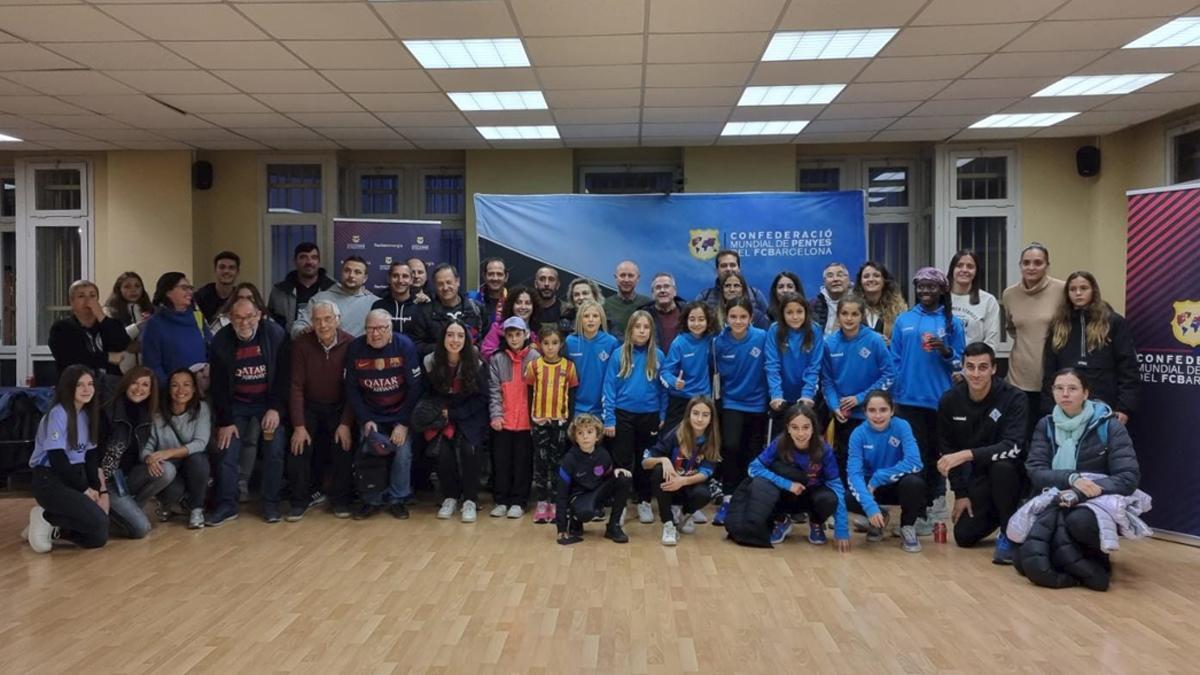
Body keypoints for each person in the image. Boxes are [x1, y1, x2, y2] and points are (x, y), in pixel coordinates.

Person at [1026, 368, 1140, 574]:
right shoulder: (1046, 424)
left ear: (1086, 393)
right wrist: (1071, 479)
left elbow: (1128, 477)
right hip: (1054, 495)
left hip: (1097, 500)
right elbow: (1035, 471)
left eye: (1072, 388)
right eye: (1059, 388)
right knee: (1028, 560)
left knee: (1077, 522)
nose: (1065, 394)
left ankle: (1094, 557)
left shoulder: (1110, 425)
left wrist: (1081, 491)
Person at [935, 342, 1027, 564]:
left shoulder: (1014, 398)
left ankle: (1009, 533)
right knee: (964, 537)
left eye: (983, 367)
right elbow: (948, 451)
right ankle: (1016, 515)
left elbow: (1012, 446)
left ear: (994, 369)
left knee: (1001, 467)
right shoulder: (950, 400)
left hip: (1014, 475)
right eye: (971, 367)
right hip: (979, 479)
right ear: (963, 368)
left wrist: (967, 454)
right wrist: (960, 493)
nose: (976, 374)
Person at [890, 267, 965, 533]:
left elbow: (961, 362)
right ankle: (917, 511)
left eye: (931, 287)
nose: (925, 291)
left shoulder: (952, 323)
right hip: (908, 400)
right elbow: (894, 359)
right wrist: (896, 388)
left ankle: (937, 504)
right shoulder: (904, 320)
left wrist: (946, 351)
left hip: (940, 400)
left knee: (937, 454)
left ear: (942, 290)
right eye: (921, 286)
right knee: (915, 456)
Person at [207, 297, 290, 526]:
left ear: (259, 316)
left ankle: (270, 503)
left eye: (249, 317)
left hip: (268, 402)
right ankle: (227, 505)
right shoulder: (221, 341)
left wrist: (275, 408)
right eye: (238, 317)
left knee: (274, 450)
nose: (244, 322)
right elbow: (218, 386)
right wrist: (225, 421)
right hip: (236, 405)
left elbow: (285, 377)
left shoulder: (276, 335)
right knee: (227, 451)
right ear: (230, 319)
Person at [344, 309, 422, 520]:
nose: (375, 334)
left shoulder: (404, 346)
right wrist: (365, 419)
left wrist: (404, 423)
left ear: (390, 329)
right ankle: (371, 499)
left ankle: (398, 499)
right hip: (372, 414)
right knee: (368, 449)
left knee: (402, 452)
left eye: (380, 328)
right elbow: (351, 389)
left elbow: (415, 388)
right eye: (370, 328)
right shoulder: (355, 349)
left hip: (400, 414)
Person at [23, 365, 108, 553]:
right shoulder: (58, 414)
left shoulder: (87, 415)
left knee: (98, 537)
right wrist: (84, 489)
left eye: (90, 384)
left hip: (74, 476)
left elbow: (91, 457)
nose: (87, 389)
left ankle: (55, 527)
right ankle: (46, 517)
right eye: (80, 385)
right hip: (49, 479)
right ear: (68, 388)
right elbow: (57, 459)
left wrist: (96, 488)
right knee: (98, 520)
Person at [746, 403, 849, 549]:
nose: (800, 433)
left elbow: (837, 486)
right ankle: (781, 520)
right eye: (795, 427)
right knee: (762, 486)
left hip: (812, 494)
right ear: (788, 428)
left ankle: (816, 522)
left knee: (829, 499)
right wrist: (786, 484)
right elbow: (754, 468)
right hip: (788, 492)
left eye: (806, 427)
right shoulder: (780, 443)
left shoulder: (823, 449)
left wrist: (842, 529)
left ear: (813, 428)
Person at [1041, 271, 1138, 424]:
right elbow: (1049, 369)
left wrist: (1124, 407)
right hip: (1066, 405)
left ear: (1093, 290)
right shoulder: (1059, 325)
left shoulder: (1113, 322)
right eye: (1073, 289)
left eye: (1084, 288)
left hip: (1106, 403)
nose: (1078, 293)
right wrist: (1049, 406)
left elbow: (1128, 367)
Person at [288, 299, 355, 520]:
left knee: (343, 444)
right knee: (299, 445)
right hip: (310, 406)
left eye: (328, 319)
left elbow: (353, 390)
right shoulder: (301, 345)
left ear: (337, 320)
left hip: (340, 407)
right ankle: (299, 501)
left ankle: (341, 500)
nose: (323, 325)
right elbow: (296, 386)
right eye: (317, 320)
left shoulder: (351, 344)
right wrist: (299, 425)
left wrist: (345, 423)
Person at [603, 310, 666, 525]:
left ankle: (644, 501)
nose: (641, 331)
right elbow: (609, 388)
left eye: (645, 327)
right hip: (623, 416)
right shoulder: (618, 354)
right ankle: (620, 506)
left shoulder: (658, 356)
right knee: (622, 462)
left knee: (645, 461)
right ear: (630, 330)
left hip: (650, 416)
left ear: (651, 331)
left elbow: (664, 390)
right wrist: (609, 419)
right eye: (637, 327)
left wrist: (663, 415)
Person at [820, 295, 895, 478]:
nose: (849, 318)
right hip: (844, 416)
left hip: (870, 414)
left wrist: (861, 398)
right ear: (838, 316)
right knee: (846, 459)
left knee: (871, 461)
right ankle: (848, 502)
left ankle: (871, 501)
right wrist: (834, 405)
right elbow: (827, 381)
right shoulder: (829, 343)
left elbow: (890, 374)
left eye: (854, 314)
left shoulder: (874, 340)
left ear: (862, 316)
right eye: (844, 313)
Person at [711, 297, 769, 526]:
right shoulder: (717, 344)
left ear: (751, 318)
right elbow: (713, 376)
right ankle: (728, 498)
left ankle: (748, 500)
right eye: (733, 316)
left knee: (753, 452)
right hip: (731, 404)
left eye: (742, 317)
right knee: (731, 448)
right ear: (726, 317)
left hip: (758, 405)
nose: (737, 321)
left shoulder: (762, 338)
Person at [424, 321, 489, 524]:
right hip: (442, 414)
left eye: (460, 335)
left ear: (466, 339)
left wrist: (455, 413)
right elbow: (427, 393)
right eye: (450, 335)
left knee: (469, 450)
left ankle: (470, 498)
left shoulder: (476, 362)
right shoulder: (431, 361)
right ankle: (450, 497)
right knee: (443, 453)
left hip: (469, 415)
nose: (455, 340)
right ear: (443, 338)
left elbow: (482, 398)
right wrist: (440, 413)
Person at [845, 390, 925, 553]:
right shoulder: (858, 434)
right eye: (872, 410)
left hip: (896, 485)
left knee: (915, 483)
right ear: (865, 412)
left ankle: (907, 526)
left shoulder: (902, 426)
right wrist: (870, 507)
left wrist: (879, 477)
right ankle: (878, 518)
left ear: (892, 410)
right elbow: (854, 475)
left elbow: (915, 462)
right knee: (846, 496)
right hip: (872, 490)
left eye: (883, 410)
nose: (878, 415)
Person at [1002, 242, 1065, 439]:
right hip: (1019, 379)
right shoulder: (1009, 294)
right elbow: (1012, 329)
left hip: (1052, 380)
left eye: (1038, 263)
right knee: (1021, 437)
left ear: (1047, 265)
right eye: (1026, 263)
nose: (1031, 267)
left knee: (1052, 438)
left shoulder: (1062, 290)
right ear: (1020, 265)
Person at [99, 366, 171, 538]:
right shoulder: (108, 410)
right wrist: (101, 490)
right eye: (135, 383)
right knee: (142, 529)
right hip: (106, 481)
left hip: (127, 478)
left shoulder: (149, 414)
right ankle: (114, 516)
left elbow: (147, 447)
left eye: (145, 385)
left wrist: (151, 458)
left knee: (167, 470)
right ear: (126, 384)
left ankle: (128, 511)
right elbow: (94, 455)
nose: (139, 389)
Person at [641, 396, 720, 546]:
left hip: (689, 485)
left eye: (705, 415)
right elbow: (645, 463)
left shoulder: (712, 439)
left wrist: (682, 481)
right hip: (671, 486)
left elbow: (705, 473)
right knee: (658, 472)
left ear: (711, 418)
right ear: (688, 415)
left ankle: (685, 514)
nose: (699, 419)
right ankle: (668, 524)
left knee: (704, 494)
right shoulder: (675, 434)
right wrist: (663, 460)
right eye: (695, 413)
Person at [142, 368, 211, 529]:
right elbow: (147, 446)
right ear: (169, 389)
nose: (181, 390)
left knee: (198, 459)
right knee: (170, 486)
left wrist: (168, 452)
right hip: (169, 467)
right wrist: (149, 459)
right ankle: (168, 504)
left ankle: (196, 509)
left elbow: (201, 442)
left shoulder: (202, 408)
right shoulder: (157, 412)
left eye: (186, 385)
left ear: (194, 388)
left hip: (191, 465)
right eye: (175, 385)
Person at [525, 326, 579, 525]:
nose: (550, 347)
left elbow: (572, 396)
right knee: (540, 462)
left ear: (561, 345)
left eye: (554, 343)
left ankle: (556, 503)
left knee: (558, 463)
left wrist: (569, 421)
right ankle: (541, 502)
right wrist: (532, 420)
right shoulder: (534, 366)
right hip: (540, 421)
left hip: (561, 422)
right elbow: (529, 394)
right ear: (539, 344)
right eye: (546, 343)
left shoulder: (569, 367)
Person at [488, 316, 539, 519]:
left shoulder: (535, 358)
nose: (514, 338)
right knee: (501, 463)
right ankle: (501, 500)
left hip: (527, 423)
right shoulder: (497, 359)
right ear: (505, 336)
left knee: (523, 463)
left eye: (518, 334)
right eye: (510, 335)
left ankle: (519, 501)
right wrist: (496, 416)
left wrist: (536, 419)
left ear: (526, 335)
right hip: (504, 422)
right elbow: (494, 391)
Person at [554, 413, 632, 545]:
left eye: (590, 432)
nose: (585, 437)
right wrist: (561, 527)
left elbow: (607, 479)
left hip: (597, 492)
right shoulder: (569, 459)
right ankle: (575, 520)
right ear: (575, 437)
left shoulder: (603, 455)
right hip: (578, 496)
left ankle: (614, 526)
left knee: (624, 478)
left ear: (597, 436)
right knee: (585, 512)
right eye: (580, 433)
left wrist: (615, 472)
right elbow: (561, 494)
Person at [48, 280, 131, 380]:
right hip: (75, 385)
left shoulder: (111, 324)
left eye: (92, 296)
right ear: (71, 301)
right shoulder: (61, 327)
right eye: (81, 296)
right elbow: (71, 358)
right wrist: (108, 357)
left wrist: (101, 316)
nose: (88, 301)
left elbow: (123, 344)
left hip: (110, 385)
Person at [141, 272, 210, 387]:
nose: (190, 292)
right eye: (184, 288)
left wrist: (208, 370)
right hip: (171, 392)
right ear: (167, 292)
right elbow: (152, 365)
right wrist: (172, 387)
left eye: (190, 288)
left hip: (202, 386)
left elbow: (210, 348)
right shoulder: (154, 324)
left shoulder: (198, 317)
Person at [765, 293, 823, 421]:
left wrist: (807, 394)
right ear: (782, 314)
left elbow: (814, 366)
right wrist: (776, 395)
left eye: (799, 311)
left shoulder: (815, 330)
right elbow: (772, 366)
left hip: (807, 396)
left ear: (806, 312)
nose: (795, 317)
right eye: (789, 312)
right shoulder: (775, 330)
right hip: (781, 397)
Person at [660, 301, 716, 432]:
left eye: (701, 319)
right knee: (672, 438)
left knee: (701, 441)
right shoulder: (679, 343)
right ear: (686, 321)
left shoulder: (711, 340)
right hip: (681, 399)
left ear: (708, 321)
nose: (696, 324)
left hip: (703, 399)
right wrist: (675, 381)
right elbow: (665, 371)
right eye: (692, 319)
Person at [292, 256, 378, 339]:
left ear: (365, 278)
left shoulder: (375, 303)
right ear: (341, 273)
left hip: (358, 353)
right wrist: (303, 331)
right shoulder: (320, 298)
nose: (351, 275)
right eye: (347, 270)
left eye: (357, 272)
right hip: (324, 352)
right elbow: (298, 328)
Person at [409, 263, 484, 357]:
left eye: (449, 282)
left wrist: (476, 348)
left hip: (469, 367)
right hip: (437, 367)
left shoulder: (476, 308)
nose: (445, 288)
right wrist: (445, 348)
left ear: (457, 282)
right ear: (435, 286)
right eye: (440, 284)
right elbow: (417, 344)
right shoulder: (425, 312)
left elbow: (487, 339)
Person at [565, 300, 619, 419]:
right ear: (580, 319)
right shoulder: (570, 341)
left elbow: (614, 378)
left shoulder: (611, 342)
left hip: (602, 408)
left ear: (601, 319)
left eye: (595, 316)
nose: (590, 319)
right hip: (576, 407)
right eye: (586, 316)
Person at [268, 242, 335, 331]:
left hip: (323, 342)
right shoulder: (279, 291)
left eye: (314, 258)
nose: (309, 262)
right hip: (289, 343)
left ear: (319, 262)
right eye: (303, 257)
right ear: (295, 261)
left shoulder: (332, 289)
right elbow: (271, 324)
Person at [948, 249, 1000, 350]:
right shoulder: (940, 298)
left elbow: (991, 342)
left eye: (970, 266)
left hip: (974, 363)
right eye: (959, 265)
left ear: (976, 272)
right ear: (952, 269)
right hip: (942, 363)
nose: (964, 270)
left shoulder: (988, 301)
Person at [104, 271, 154, 373]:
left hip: (146, 368)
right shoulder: (109, 311)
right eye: (127, 287)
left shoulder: (150, 310)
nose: (133, 290)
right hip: (120, 370)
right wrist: (138, 327)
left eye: (137, 286)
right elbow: (113, 338)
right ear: (119, 289)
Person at [694, 249, 769, 316]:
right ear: (717, 270)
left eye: (732, 265)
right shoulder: (705, 297)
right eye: (724, 266)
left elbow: (769, 322)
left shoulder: (755, 295)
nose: (729, 269)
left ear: (739, 269)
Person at [480, 285, 539, 361]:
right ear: (511, 305)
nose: (523, 307)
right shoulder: (498, 328)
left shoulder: (537, 331)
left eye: (528, 303)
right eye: (518, 302)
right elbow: (486, 353)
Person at [856, 261, 907, 343]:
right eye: (866, 276)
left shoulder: (899, 308)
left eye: (876, 276)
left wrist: (890, 343)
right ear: (860, 282)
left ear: (884, 280)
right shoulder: (851, 306)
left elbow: (906, 339)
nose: (871, 279)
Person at [371, 261, 424, 337]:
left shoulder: (422, 307)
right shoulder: (378, 306)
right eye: (395, 276)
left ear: (411, 280)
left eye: (405, 276)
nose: (400, 280)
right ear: (389, 279)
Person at [639, 272, 687, 348]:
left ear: (675, 291)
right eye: (658, 287)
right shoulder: (643, 316)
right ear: (652, 293)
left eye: (666, 286)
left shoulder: (688, 312)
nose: (662, 290)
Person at [604, 260, 652, 336]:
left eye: (631, 276)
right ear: (616, 277)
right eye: (622, 275)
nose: (626, 280)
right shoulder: (605, 305)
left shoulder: (648, 304)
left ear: (638, 278)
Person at [194, 250, 240, 323]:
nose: (226, 271)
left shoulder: (241, 298)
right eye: (222, 267)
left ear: (237, 272)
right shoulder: (199, 298)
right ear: (215, 270)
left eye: (231, 268)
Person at [468, 257, 509, 335]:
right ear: (484, 276)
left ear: (506, 277)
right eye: (491, 274)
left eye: (499, 274)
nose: (495, 278)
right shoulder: (472, 299)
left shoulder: (512, 302)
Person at [811, 262, 853, 335]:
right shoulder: (813, 305)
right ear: (824, 282)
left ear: (848, 280)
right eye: (830, 276)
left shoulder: (859, 304)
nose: (835, 279)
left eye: (840, 275)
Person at [530, 266, 564, 334]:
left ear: (557, 285)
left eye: (551, 279)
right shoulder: (526, 308)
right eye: (542, 279)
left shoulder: (567, 311)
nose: (546, 284)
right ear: (536, 284)